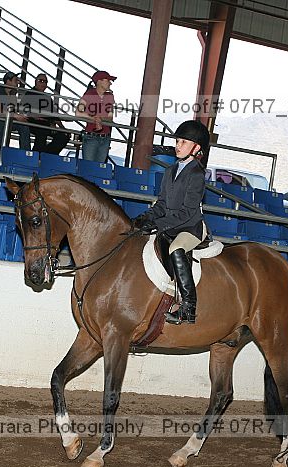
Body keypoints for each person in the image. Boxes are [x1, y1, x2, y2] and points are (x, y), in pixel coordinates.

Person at [132, 120, 209, 326]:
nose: (177, 146)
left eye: (183, 142)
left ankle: (188, 307)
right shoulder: (169, 171)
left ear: (196, 148)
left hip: (190, 227)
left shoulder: (197, 174)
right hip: (170, 224)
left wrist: (159, 224)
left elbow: (187, 212)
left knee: (176, 248)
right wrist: (146, 217)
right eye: (177, 141)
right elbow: (162, 204)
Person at [0, 71, 31, 152]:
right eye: (15, 80)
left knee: (23, 126)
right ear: (8, 81)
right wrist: (16, 116)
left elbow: (12, 111)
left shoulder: (12, 94)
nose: (18, 82)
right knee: (3, 122)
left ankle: (25, 152)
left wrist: (19, 117)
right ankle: (1, 150)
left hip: (5, 118)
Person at [23, 73, 69, 155]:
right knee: (42, 131)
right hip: (32, 122)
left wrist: (62, 129)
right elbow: (24, 110)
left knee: (64, 136)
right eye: (41, 81)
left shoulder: (47, 97)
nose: (43, 83)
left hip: (46, 124)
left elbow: (54, 114)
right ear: (36, 81)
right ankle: (38, 155)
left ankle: (45, 154)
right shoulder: (29, 93)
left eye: (45, 82)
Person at [75, 70, 116, 162]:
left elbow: (110, 117)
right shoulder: (91, 94)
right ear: (99, 81)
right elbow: (78, 112)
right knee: (94, 166)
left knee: (91, 166)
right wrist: (96, 118)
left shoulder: (108, 96)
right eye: (108, 80)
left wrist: (95, 118)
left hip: (100, 137)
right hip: (96, 137)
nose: (110, 83)